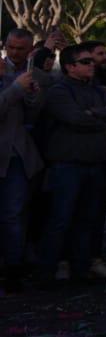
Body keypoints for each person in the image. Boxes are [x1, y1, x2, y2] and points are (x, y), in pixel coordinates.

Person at [40, 43, 106, 283]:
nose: (92, 65)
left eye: (91, 61)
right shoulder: (59, 91)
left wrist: (92, 113)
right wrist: (99, 116)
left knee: (88, 219)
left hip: (95, 164)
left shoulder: (97, 91)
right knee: (61, 218)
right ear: (69, 67)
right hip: (67, 165)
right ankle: (48, 271)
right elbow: (73, 118)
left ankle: (81, 269)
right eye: (85, 62)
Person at [1, 30, 45, 291]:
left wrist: (32, 93)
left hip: (17, 154)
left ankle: (14, 269)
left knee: (14, 215)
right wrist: (14, 88)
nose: (14, 53)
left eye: (20, 49)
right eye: (10, 47)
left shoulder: (32, 74)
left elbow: (36, 113)